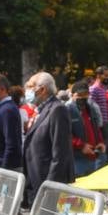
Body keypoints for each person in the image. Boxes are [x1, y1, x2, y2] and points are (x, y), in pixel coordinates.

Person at [22, 71, 74, 203]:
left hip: (47, 182)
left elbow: (60, 152)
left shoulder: (57, 110)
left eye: (30, 86)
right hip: (35, 179)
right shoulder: (39, 110)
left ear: (42, 89)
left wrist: (50, 185)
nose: (26, 90)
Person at [68, 80, 106, 177]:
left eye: (85, 94)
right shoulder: (67, 110)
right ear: (72, 95)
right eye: (79, 94)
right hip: (77, 158)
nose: (83, 97)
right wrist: (81, 146)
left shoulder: (90, 108)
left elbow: (96, 128)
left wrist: (100, 142)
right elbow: (64, 134)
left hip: (92, 156)